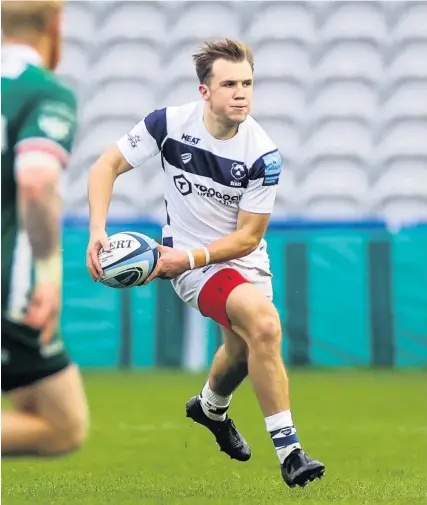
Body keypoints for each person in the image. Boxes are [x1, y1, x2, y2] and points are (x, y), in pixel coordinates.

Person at [86, 39, 324, 487]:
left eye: (248, 84)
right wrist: (98, 230)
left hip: (232, 258)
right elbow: (106, 166)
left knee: (240, 349)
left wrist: (188, 257)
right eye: (229, 83)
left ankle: (210, 408)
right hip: (194, 267)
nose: (241, 93)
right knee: (266, 327)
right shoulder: (169, 124)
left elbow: (249, 237)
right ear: (204, 91)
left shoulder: (262, 154)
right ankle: (291, 452)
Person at [1, 0, 88, 456]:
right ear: (56, 26)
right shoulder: (43, 92)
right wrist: (49, 274)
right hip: (5, 286)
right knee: (62, 424)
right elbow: (36, 183)